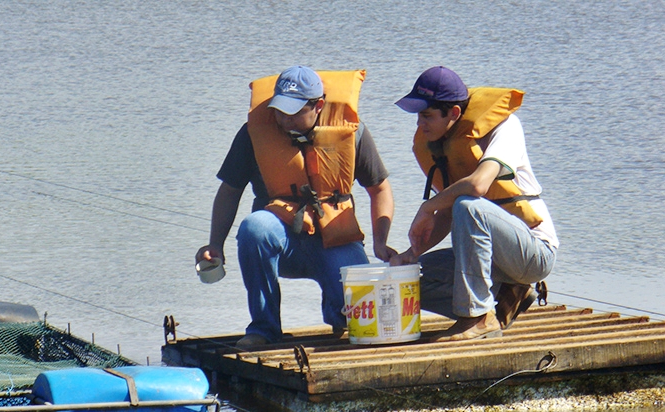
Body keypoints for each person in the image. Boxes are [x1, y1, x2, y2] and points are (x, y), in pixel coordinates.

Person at [196, 66, 397, 348]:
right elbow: (229, 191)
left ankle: (338, 316)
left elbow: (380, 189)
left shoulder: (352, 132)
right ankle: (263, 329)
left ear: (318, 106)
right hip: (282, 240)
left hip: (334, 240)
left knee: (355, 314)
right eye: (279, 110)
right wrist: (214, 243)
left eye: (293, 112)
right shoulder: (254, 134)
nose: (282, 118)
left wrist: (380, 241)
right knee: (254, 227)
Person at [390, 66, 559, 341]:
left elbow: (478, 186)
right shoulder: (441, 143)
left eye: (427, 115)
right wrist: (412, 252)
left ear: (454, 113)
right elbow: (449, 212)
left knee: (468, 205)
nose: (420, 123)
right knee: (403, 281)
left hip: (533, 252)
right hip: (487, 257)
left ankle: (478, 317)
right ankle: (505, 297)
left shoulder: (505, 127)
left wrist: (427, 206)